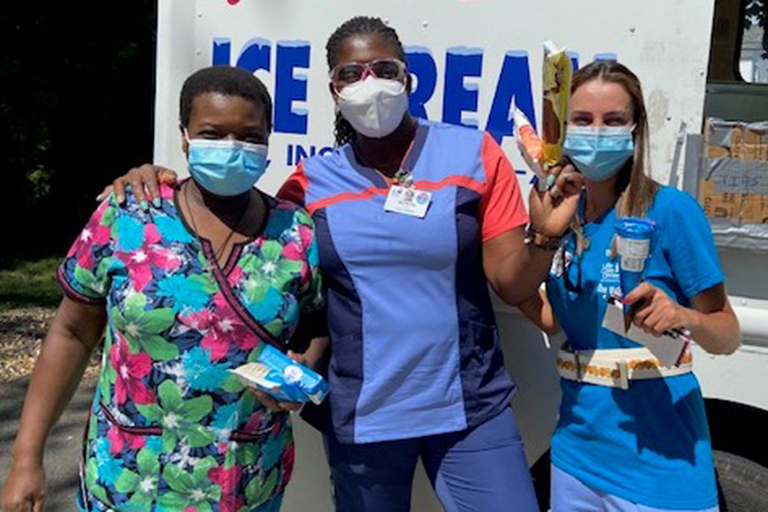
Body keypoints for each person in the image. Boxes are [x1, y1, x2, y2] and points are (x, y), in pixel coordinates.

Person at [96, 16, 584, 512]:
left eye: (383, 69)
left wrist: (545, 234)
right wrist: (158, 180)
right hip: (361, 415)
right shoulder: (308, 184)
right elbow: (237, 239)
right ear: (333, 91)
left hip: (470, 407)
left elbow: (508, 281)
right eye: (350, 75)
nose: (369, 85)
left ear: (409, 78)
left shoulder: (474, 154)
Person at [2, 65, 326, 512]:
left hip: (245, 482)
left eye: (249, 136)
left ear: (269, 138)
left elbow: (315, 325)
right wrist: (25, 458)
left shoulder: (295, 234)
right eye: (213, 133)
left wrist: (304, 364)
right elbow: (71, 333)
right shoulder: (127, 217)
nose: (232, 148)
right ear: (185, 136)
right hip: (128, 481)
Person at [518, 61, 741, 511]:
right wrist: (530, 249)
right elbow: (558, 319)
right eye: (582, 120)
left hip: (660, 465)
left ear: (634, 130)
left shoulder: (671, 211)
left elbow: (728, 333)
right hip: (576, 457)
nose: (596, 132)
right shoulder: (563, 218)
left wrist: (684, 317)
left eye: (612, 120)